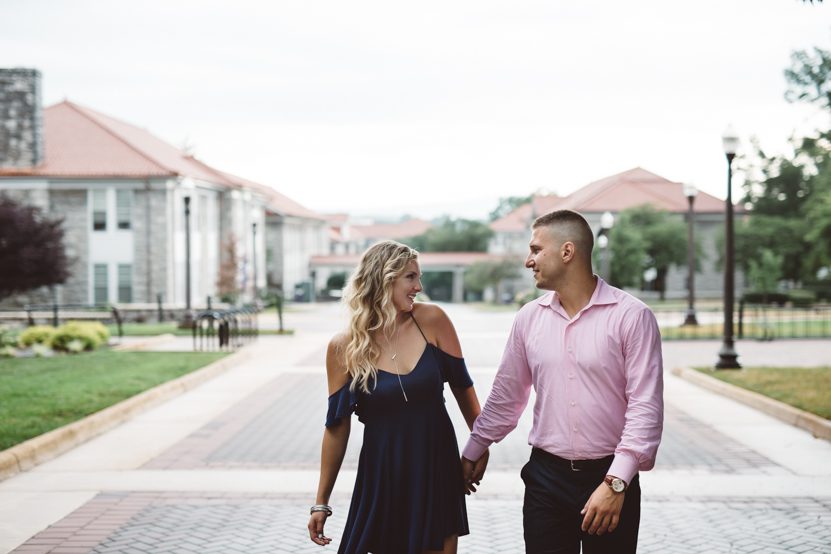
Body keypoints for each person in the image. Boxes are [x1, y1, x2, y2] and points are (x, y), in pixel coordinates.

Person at [461, 210, 663, 553]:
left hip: (610, 475)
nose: (529, 261)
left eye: (536, 250)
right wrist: (473, 451)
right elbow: (507, 395)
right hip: (545, 479)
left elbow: (645, 407)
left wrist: (616, 483)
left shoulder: (632, 316)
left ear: (567, 252)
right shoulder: (529, 318)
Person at [308, 240, 487, 554]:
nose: (419, 287)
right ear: (384, 278)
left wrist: (480, 445)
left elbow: (463, 387)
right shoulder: (343, 347)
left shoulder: (433, 320)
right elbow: (336, 428)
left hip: (436, 463)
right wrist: (321, 501)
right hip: (383, 471)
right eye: (411, 277)